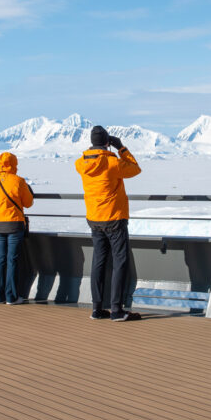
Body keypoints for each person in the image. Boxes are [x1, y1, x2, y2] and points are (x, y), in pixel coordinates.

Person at [75, 125, 142, 321]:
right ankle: (116, 309)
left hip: (94, 218)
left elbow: (87, 160)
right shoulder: (112, 162)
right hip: (114, 217)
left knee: (99, 261)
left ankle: (97, 308)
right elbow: (135, 169)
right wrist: (121, 148)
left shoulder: (81, 163)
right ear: (107, 142)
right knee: (120, 262)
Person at [0, 152, 35, 305]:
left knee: (0, 259)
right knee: (12, 260)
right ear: (14, 164)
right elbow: (28, 203)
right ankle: (11, 296)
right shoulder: (19, 181)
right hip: (14, 224)